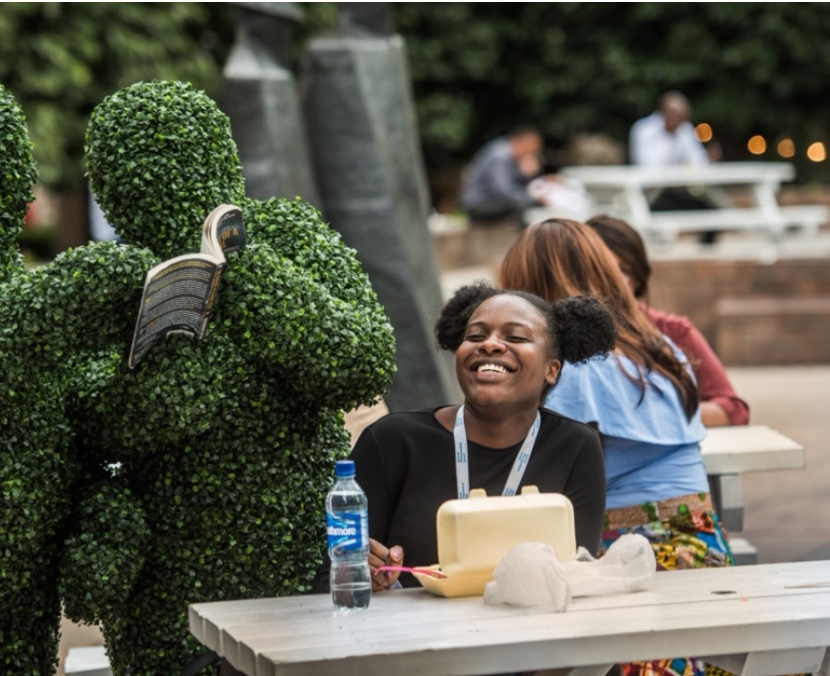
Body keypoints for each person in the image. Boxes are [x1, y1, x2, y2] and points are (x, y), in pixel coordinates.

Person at [498, 218, 734, 676]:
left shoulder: (574, 370)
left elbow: (532, 484)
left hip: (633, 559)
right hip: (701, 544)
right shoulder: (657, 346)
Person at [314, 284, 616, 594]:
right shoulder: (392, 440)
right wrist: (360, 575)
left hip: (528, 634)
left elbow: (577, 575)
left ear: (551, 370)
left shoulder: (575, 447)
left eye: (515, 337)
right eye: (475, 336)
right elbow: (330, 582)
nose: (490, 345)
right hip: (409, 637)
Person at [587, 214, 749, 427]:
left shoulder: (673, 331)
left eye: (624, 270)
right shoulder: (561, 330)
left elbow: (733, 409)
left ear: (639, 276)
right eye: (603, 270)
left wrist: (657, 417)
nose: (615, 282)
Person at [630, 91, 720, 243]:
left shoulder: (684, 129)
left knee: (711, 211)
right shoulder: (643, 130)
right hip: (651, 194)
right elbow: (648, 168)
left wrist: (707, 159)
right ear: (666, 112)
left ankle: (704, 255)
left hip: (678, 189)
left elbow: (696, 161)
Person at [459, 126, 548, 226]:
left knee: (525, 206)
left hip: (491, 201)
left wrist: (526, 174)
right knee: (522, 207)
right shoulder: (500, 156)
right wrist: (532, 199)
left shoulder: (509, 156)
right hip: (478, 205)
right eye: (533, 148)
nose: (535, 152)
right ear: (522, 142)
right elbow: (503, 192)